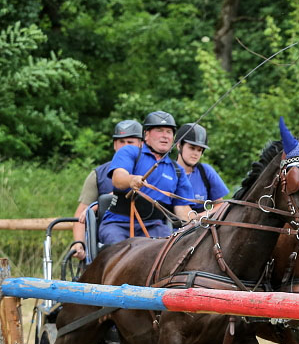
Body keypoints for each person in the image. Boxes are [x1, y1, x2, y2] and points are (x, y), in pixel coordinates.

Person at [100, 110, 194, 245]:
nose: (165, 136)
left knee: (170, 253)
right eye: (159, 130)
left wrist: (201, 221)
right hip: (119, 224)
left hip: (155, 227)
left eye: (169, 132)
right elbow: (118, 178)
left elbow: (182, 209)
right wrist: (131, 180)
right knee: (120, 253)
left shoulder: (177, 170)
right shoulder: (129, 152)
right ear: (146, 135)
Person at [71, 120, 143, 258]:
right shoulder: (98, 175)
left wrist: (101, 203)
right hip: (110, 238)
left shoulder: (153, 169)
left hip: (146, 230)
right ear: (115, 145)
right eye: (121, 142)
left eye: (130, 142)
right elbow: (81, 214)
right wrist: (79, 243)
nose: (125, 147)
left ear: (141, 145)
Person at [173, 123, 229, 219]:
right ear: (179, 146)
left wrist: (200, 217)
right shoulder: (167, 170)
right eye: (192, 148)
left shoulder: (206, 171)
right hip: (172, 226)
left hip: (201, 227)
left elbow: (220, 204)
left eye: (199, 150)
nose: (195, 153)